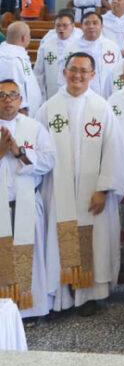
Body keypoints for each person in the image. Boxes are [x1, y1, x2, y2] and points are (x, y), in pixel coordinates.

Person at [37, 52, 124, 316]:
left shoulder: (101, 108)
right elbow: (40, 152)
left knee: (93, 241)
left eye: (83, 71)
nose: (77, 75)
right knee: (58, 240)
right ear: (64, 72)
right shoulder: (47, 109)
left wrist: (102, 189)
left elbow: (114, 151)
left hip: (92, 194)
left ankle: (88, 295)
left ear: (92, 75)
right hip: (57, 192)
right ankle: (62, 295)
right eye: (73, 69)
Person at [0, 78, 56, 319]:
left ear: (21, 100)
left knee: (28, 256)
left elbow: (49, 160)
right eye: (2, 95)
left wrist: (19, 152)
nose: (7, 100)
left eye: (13, 95)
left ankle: (29, 310)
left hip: (26, 203)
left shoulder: (34, 127)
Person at [33, 10, 82, 100]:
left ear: (73, 26)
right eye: (58, 25)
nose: (61, 29)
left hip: (76, 93)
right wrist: (41, 96)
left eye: (65, 25)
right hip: (52, 93)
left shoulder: (81, 44)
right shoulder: (46, 44)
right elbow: (39, 73)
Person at [0, 22, 43, 115]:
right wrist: (22, 109)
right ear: (23, 38)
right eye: (29, 35)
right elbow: (11, 88)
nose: (30, 38)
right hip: (19, 115)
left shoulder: (16, 54)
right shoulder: (10, 60)